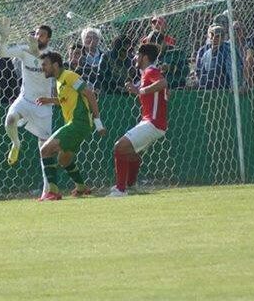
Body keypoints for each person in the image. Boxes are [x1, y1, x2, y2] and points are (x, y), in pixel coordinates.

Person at [0, 17, 56, 197]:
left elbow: (49, 68)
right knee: (9, 120)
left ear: (48, 39)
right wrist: (3, 36)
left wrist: (36, 52)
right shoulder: (24, 50)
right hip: (25, 99)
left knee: (44, 149)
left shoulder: (52, 55)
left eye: (43, 35)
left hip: (43, 105)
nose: (38, 36)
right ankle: (16, 143)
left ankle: (48, 191)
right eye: (37, 33)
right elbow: (2, 52)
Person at [36, 51, 105, 201]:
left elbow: (90, 94)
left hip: (78, 123)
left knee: (46, 150)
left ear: (55, 65)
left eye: (45, 65)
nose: (43, 68)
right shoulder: (60, 80)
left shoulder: (69, 76)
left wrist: (98, 122)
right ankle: (81, 187)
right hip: (77, 124)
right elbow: (66, 100)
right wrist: (50, 100)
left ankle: (52, 192)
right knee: (64, 160)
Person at [109, 44, 169, 197]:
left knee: (119, 147)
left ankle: (120, 190)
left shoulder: (151, 71)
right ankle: (130, 185)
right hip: (152, 122)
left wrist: (140, 90)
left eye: (137, 54)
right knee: (130, 152)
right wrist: (136, 90)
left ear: (145, 57)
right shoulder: (145, 73)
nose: (134, 57)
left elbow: (163, 83)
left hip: (153, 122)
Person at [193, 25, 242, 89]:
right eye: (212, 35)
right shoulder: (204, 52)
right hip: (207, 89)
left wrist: (235, 86)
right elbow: (200, 71)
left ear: (223, 37)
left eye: (217, 36)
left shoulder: (228, 50)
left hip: (225, 88)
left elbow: (233, 70)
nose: (214, 38)